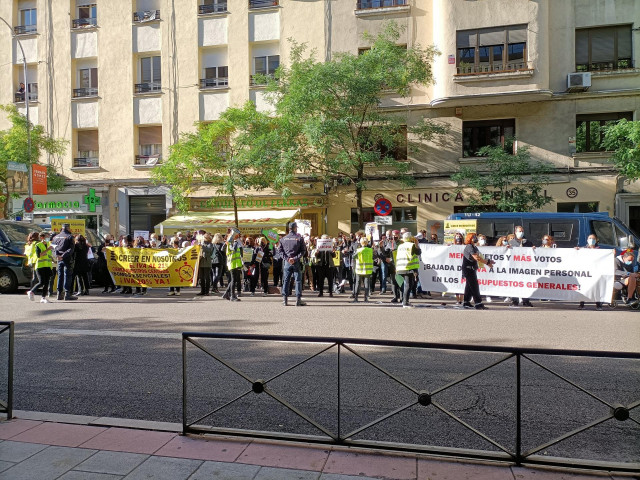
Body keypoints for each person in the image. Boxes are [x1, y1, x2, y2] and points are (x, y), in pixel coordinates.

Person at [461, 232, 494, 310]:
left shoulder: (474, 247)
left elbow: (480, 257)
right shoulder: (469, 246)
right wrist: (487, 262)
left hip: (472, 268)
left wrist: (488, 261)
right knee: (474, 286)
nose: (475, 238)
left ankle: (466, 302)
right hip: (468, 268)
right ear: (469, 238)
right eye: (474, 237)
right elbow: (477, 258)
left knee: (469, 286)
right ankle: (478, 303)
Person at [278, 222, 307, 306]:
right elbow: (303, 251)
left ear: (289, 229)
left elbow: (280, 251)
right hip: (296, 262)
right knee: (298, 280)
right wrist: (294, 258)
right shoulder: (299, 238)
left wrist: (287, 259)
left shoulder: (283, 239)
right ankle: (298, 300)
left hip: (287, 262)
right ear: (295, 228)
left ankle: (285, 300)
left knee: (286, 280)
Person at [50, 223, 77, 301]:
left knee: (60, 275)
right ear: (68, 228)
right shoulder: (70, 237)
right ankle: (67, 294)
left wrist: (57, 256)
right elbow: (71, 249)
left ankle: (59, 294)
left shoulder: (56, 237)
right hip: (67, 258)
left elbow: (53, 248)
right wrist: (63, 256)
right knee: (67, 275)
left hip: (59, 258)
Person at [509, 226, 534, 308]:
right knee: (514, 284)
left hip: (525, 267)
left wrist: (534, 249)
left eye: (522, 231)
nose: (521, 233)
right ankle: (514, 301)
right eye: (519, 231)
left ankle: (526, 300)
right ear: (515, 232)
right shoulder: (511, 243)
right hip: (515, 267)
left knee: (526, 284)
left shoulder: (528, 242)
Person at [395, 232, 421, 308]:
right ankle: (405, 302)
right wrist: (416, 243)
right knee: (408, 285)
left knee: (406, 285)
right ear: (411, 238)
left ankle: (404, 300)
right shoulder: (412, 245)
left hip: (400, 267)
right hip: (408, 267)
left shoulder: (400, 246)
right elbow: (418, 252)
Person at [577, 234, 603, 310]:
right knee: (583, 287)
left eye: (593, 238)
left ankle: (598, 305)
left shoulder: (600, 250)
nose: (591, 240)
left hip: (595, 272)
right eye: (590, 238)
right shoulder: (583, 249)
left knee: (596, 288)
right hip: (585, 272)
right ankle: (581, 304)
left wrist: (612, 253)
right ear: (587, 240)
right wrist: (576, 251)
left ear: (596, 240)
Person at [26, 232, 54, 303]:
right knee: (41, 282)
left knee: (47, 282)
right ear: (42, 237)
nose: (48, 238)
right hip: (40, 266)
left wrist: (54, 260)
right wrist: (48, 249)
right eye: (47, 237)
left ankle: (43, 297)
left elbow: (49, 255)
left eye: (49, 237)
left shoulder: (48, 244)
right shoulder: (38, 245)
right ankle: (31, 291)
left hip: (47, 266)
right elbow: (39, 255)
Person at [222, 228, 243, 302]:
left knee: (234, 279)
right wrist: (234, 242)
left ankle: (227, 293)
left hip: (236, 263)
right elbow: (232, 249)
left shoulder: (233, 242)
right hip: (233, 264)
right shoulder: (231, 243)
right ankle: (232, 296)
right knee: (234, 280)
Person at [352, 237, 373, 303]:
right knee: (366, 284)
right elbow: (374, 257)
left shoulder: (358, 250)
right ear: (367, 243)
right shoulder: (370, 250)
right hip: (367, 269)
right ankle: (366, 298)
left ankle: (356, 298)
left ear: (360, 243)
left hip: (359, 269)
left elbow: (353, 257)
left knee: (358, 283)